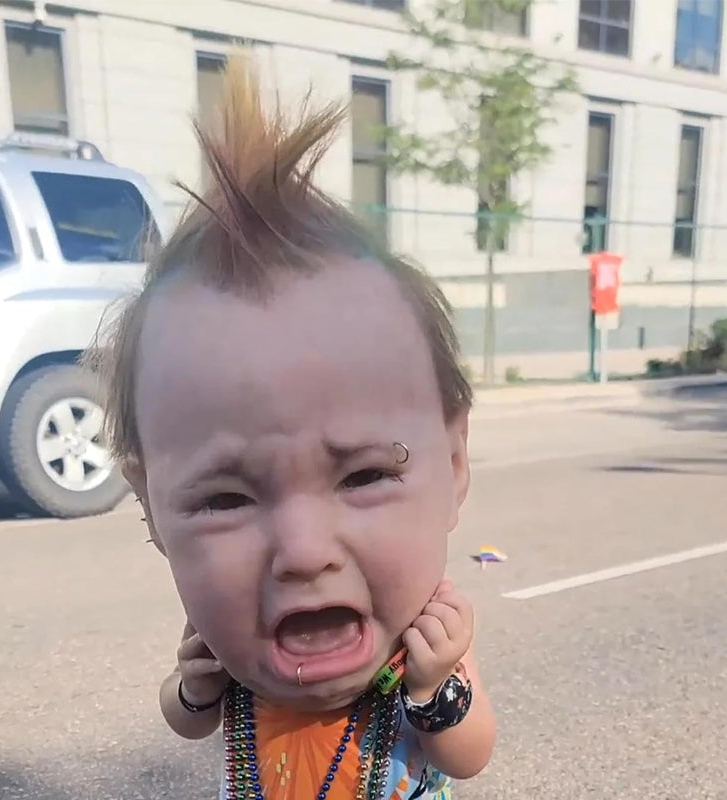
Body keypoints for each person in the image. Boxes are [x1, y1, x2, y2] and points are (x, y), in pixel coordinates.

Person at [91, 55, 495, 800]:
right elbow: (186, 724)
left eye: (366, 475)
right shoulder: (228, 645)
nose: (303, 554)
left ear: (455, 459)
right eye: (224, 499)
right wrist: (193, 693)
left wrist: (437, 689)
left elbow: (469, 755)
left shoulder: (425, 645)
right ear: (148, 503)